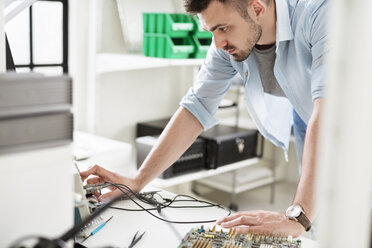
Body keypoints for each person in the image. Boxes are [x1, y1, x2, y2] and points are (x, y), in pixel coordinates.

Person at [80, 0, 328, 238]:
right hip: (309, 115)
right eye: (211, 30)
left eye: (223, 28)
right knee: (315, 217)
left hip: (350, 115)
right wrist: (138, 180)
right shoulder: (225, 45)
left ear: (257, 8)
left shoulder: (321, 13)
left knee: (337, 211)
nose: (218, 43)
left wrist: (298, 217)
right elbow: (196, 107)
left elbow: (330, 112)